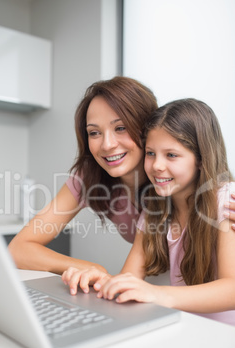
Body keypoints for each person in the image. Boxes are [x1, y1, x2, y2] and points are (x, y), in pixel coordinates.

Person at [75, 98, 235, 325]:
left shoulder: (226, 199)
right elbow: (130, 277)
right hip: (187, 330)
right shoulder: (156, 208)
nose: (157, 165)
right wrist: (97, 281)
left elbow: (232, 290)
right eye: (151, 153)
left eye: (171, 155)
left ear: (200, 159)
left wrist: (158, 294)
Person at [8, 76, 158, 274]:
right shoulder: (90, 176)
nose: (107, 144)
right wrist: (90, 267)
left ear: (148, 128)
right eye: (94, 133)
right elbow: (18, 249)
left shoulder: (167, 179)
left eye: (120, 128)